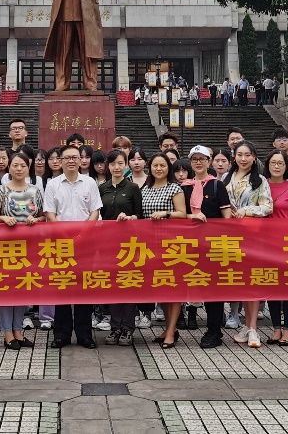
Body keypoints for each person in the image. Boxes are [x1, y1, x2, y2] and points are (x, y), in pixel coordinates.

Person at [44, 141, 103, 349]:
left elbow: (95, 211)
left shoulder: (89, 183)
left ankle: (84, 334)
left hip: (86, 243)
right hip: (60, 243)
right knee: (62, 287)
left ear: (81, 161)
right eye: (67, 158)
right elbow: (50, 213)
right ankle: (61, 334)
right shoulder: (53, 184)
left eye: (75, 157)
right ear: (60, 161)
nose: (71, 161)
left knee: (83, 288)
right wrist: (65, 236)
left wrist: (82, 234)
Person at [0, 151, 45, 349]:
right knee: (6, 289)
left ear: (28, 168)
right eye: (15, 165)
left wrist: (35, 220)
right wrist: (3, 218)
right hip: (6, 247)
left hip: (28, 247)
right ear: (9, 168)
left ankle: (18, 332)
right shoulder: (1, 190)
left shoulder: (36, 191)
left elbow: (43, 216)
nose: (19, 169)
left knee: (22, 287)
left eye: (23, 165)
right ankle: (7, 333)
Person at [181, 146, 233, 348]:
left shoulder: (216, 186)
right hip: (189, 245)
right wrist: (192, 216)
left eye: (202, 158)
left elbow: (226, 217)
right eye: (194, 159)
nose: (198, 162)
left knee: (213, 289)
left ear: (209, 161)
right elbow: (179, 214)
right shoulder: (184, 187)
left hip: (213, 245)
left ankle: (214, 331)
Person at [224, 141, 273, 347]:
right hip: (231, 236)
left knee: (253, 281)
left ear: (254, 157)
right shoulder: (226, 178)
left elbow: (268, 206)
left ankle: (253, 328)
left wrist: (247, 210)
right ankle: (246, 326)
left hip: (253, 236)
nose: (243, 159)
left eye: (247, 155)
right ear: (234, 156)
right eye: (240, 155)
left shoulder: (260, 180)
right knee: (242, 282)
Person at [142, 153, 188, 347]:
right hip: (150, 245)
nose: (159, 169)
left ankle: (171, 331)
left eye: (162, 165)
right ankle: (170, 328)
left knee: (174, 288)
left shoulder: (174, 188)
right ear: (150, 168)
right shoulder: (145, 189)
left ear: (168, 168)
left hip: (171, 244)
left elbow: (183, 214)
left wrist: (166, 214)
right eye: (155, 165)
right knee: (162, 287)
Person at [96, 149, 141, 345]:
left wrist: (130, 218)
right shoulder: (102, 188)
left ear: (126, 165)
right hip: (108, 243)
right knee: (113, 285)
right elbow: (98, 214)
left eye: (120, 163)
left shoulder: (132, 188)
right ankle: (115, 327)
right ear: (108, 166)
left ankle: (128, 328)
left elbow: (140, 215)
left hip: (128, 244)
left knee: (128, 284)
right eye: (113, 163)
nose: (117, 167)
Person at [263, 149, 288, 345]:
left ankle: (287, 330)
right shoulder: (261, 186)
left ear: (286, 167)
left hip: (287, 245)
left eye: (280, 163)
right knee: (272, 286)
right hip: (266, 244)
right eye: (273, 163)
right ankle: (276, 328)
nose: (276, 166)